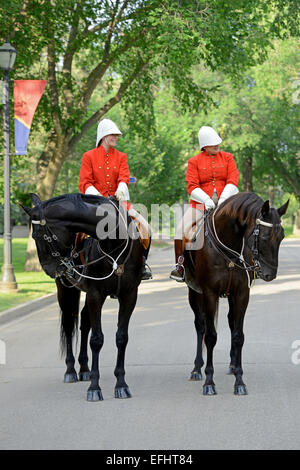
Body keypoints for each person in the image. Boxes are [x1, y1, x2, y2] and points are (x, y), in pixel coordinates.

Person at [79, 118, 152, 280]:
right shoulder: (88, 156)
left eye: (116, 135)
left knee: (146, 228)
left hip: (119, 202)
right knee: (78, 233)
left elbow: (124, 177)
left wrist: (121, 189)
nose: (115, 137)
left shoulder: (121, 156)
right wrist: (97, 196)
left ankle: (142, 263)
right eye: (112, 135)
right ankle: (79, 265)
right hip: (94, 203)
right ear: (103, 136)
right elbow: (84, 182)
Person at [170, 125, 239, 281]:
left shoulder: (228, 157)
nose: (217, 145)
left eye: (217, 142)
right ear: (204, 146)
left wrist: (223, 199)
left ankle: (251, 262)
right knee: (181, 230)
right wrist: (206, 200)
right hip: (200, 205)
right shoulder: (194, 161)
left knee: (246, 225)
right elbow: (192, 185)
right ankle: (180, 266)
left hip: (226, 202)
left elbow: (233, 180)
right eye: (213, 143)